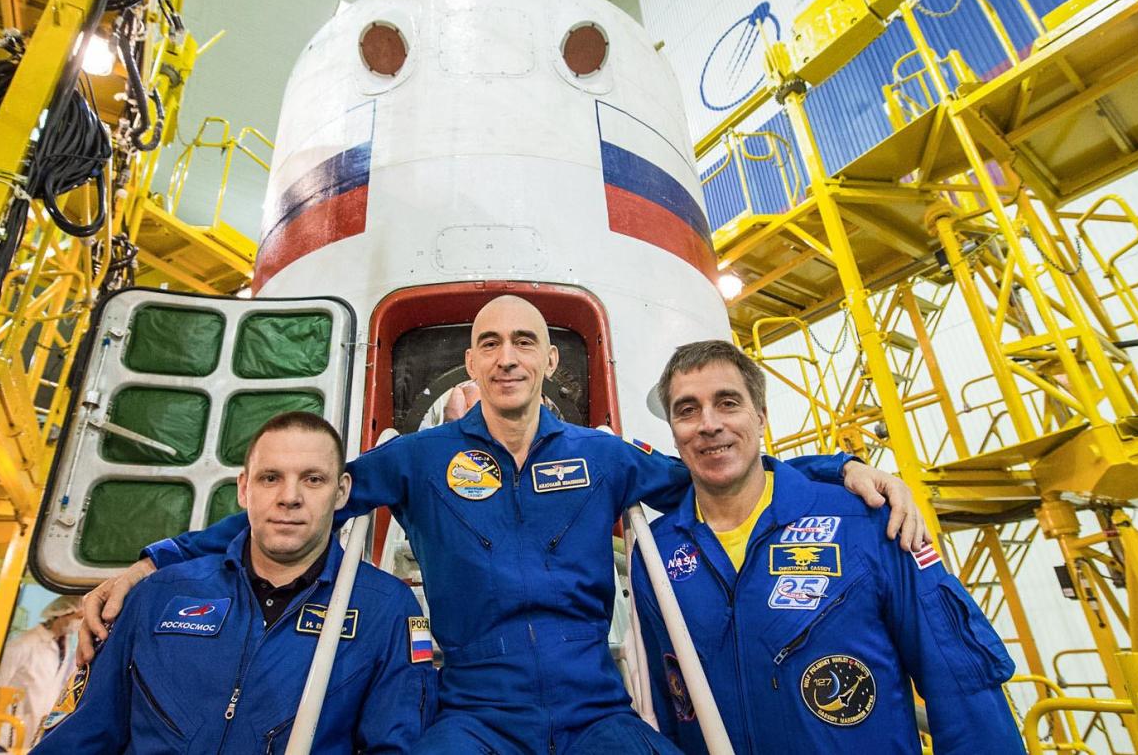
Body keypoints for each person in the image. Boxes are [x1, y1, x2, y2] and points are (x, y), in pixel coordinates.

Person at [79, 296, 929, 754]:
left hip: (596, 707)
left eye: (525, 340)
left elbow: (718, 468)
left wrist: (835, 470)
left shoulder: (603, 458)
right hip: (474, 710)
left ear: (550, 360)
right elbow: (294, 511)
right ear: (474, 361)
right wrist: (156, 562)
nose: (508, 356)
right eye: (491, 343)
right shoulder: (417, 460)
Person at [632, 340, 1023, 754]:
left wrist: (841, 467)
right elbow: (666, 709)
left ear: (761, 417)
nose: (709, 424)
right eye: (687, 410)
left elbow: (961, 687)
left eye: (728, 403)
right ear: (674, 433)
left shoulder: (869, 523)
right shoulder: (655, 554)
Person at [33, 412, 435, 753]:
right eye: (270, 478)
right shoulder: (159, 595)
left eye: (313, 479)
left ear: (342, 491)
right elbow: (81, 736)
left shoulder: (386, 610)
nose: (289, 497)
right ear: (244, 489)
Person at [0, 594, 82, 748]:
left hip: (41, 725)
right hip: (12, 726)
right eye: (79, 617)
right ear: (62, 614)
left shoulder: (65, 645)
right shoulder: (22, 645)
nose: (80, 624)